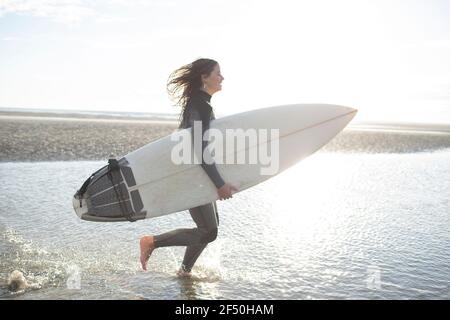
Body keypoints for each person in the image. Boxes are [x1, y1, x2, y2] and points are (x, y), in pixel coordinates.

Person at [139, 58, 238, 277]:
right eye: (217, 73)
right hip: (193, 174)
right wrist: (219, 184)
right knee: (208, 231)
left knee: (210, 229)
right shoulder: (199, 105)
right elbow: (198, 147)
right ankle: (151, 242)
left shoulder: (202, 103)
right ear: (204, 77)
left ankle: (184, 272)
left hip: (198, 173)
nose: (222, 77)